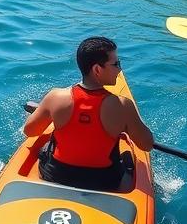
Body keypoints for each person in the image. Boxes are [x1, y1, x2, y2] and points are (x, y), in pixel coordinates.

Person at [24, 36, 153, 191]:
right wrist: (125, 125)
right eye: (116, 64)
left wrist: (55, 117)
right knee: (128, 160)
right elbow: (146, 145)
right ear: (97, 69)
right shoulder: (123, 106)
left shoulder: (55, 97)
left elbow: (30, 131)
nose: (119, 70)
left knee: (47, 145)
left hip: (56, 176)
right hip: (104, 182)